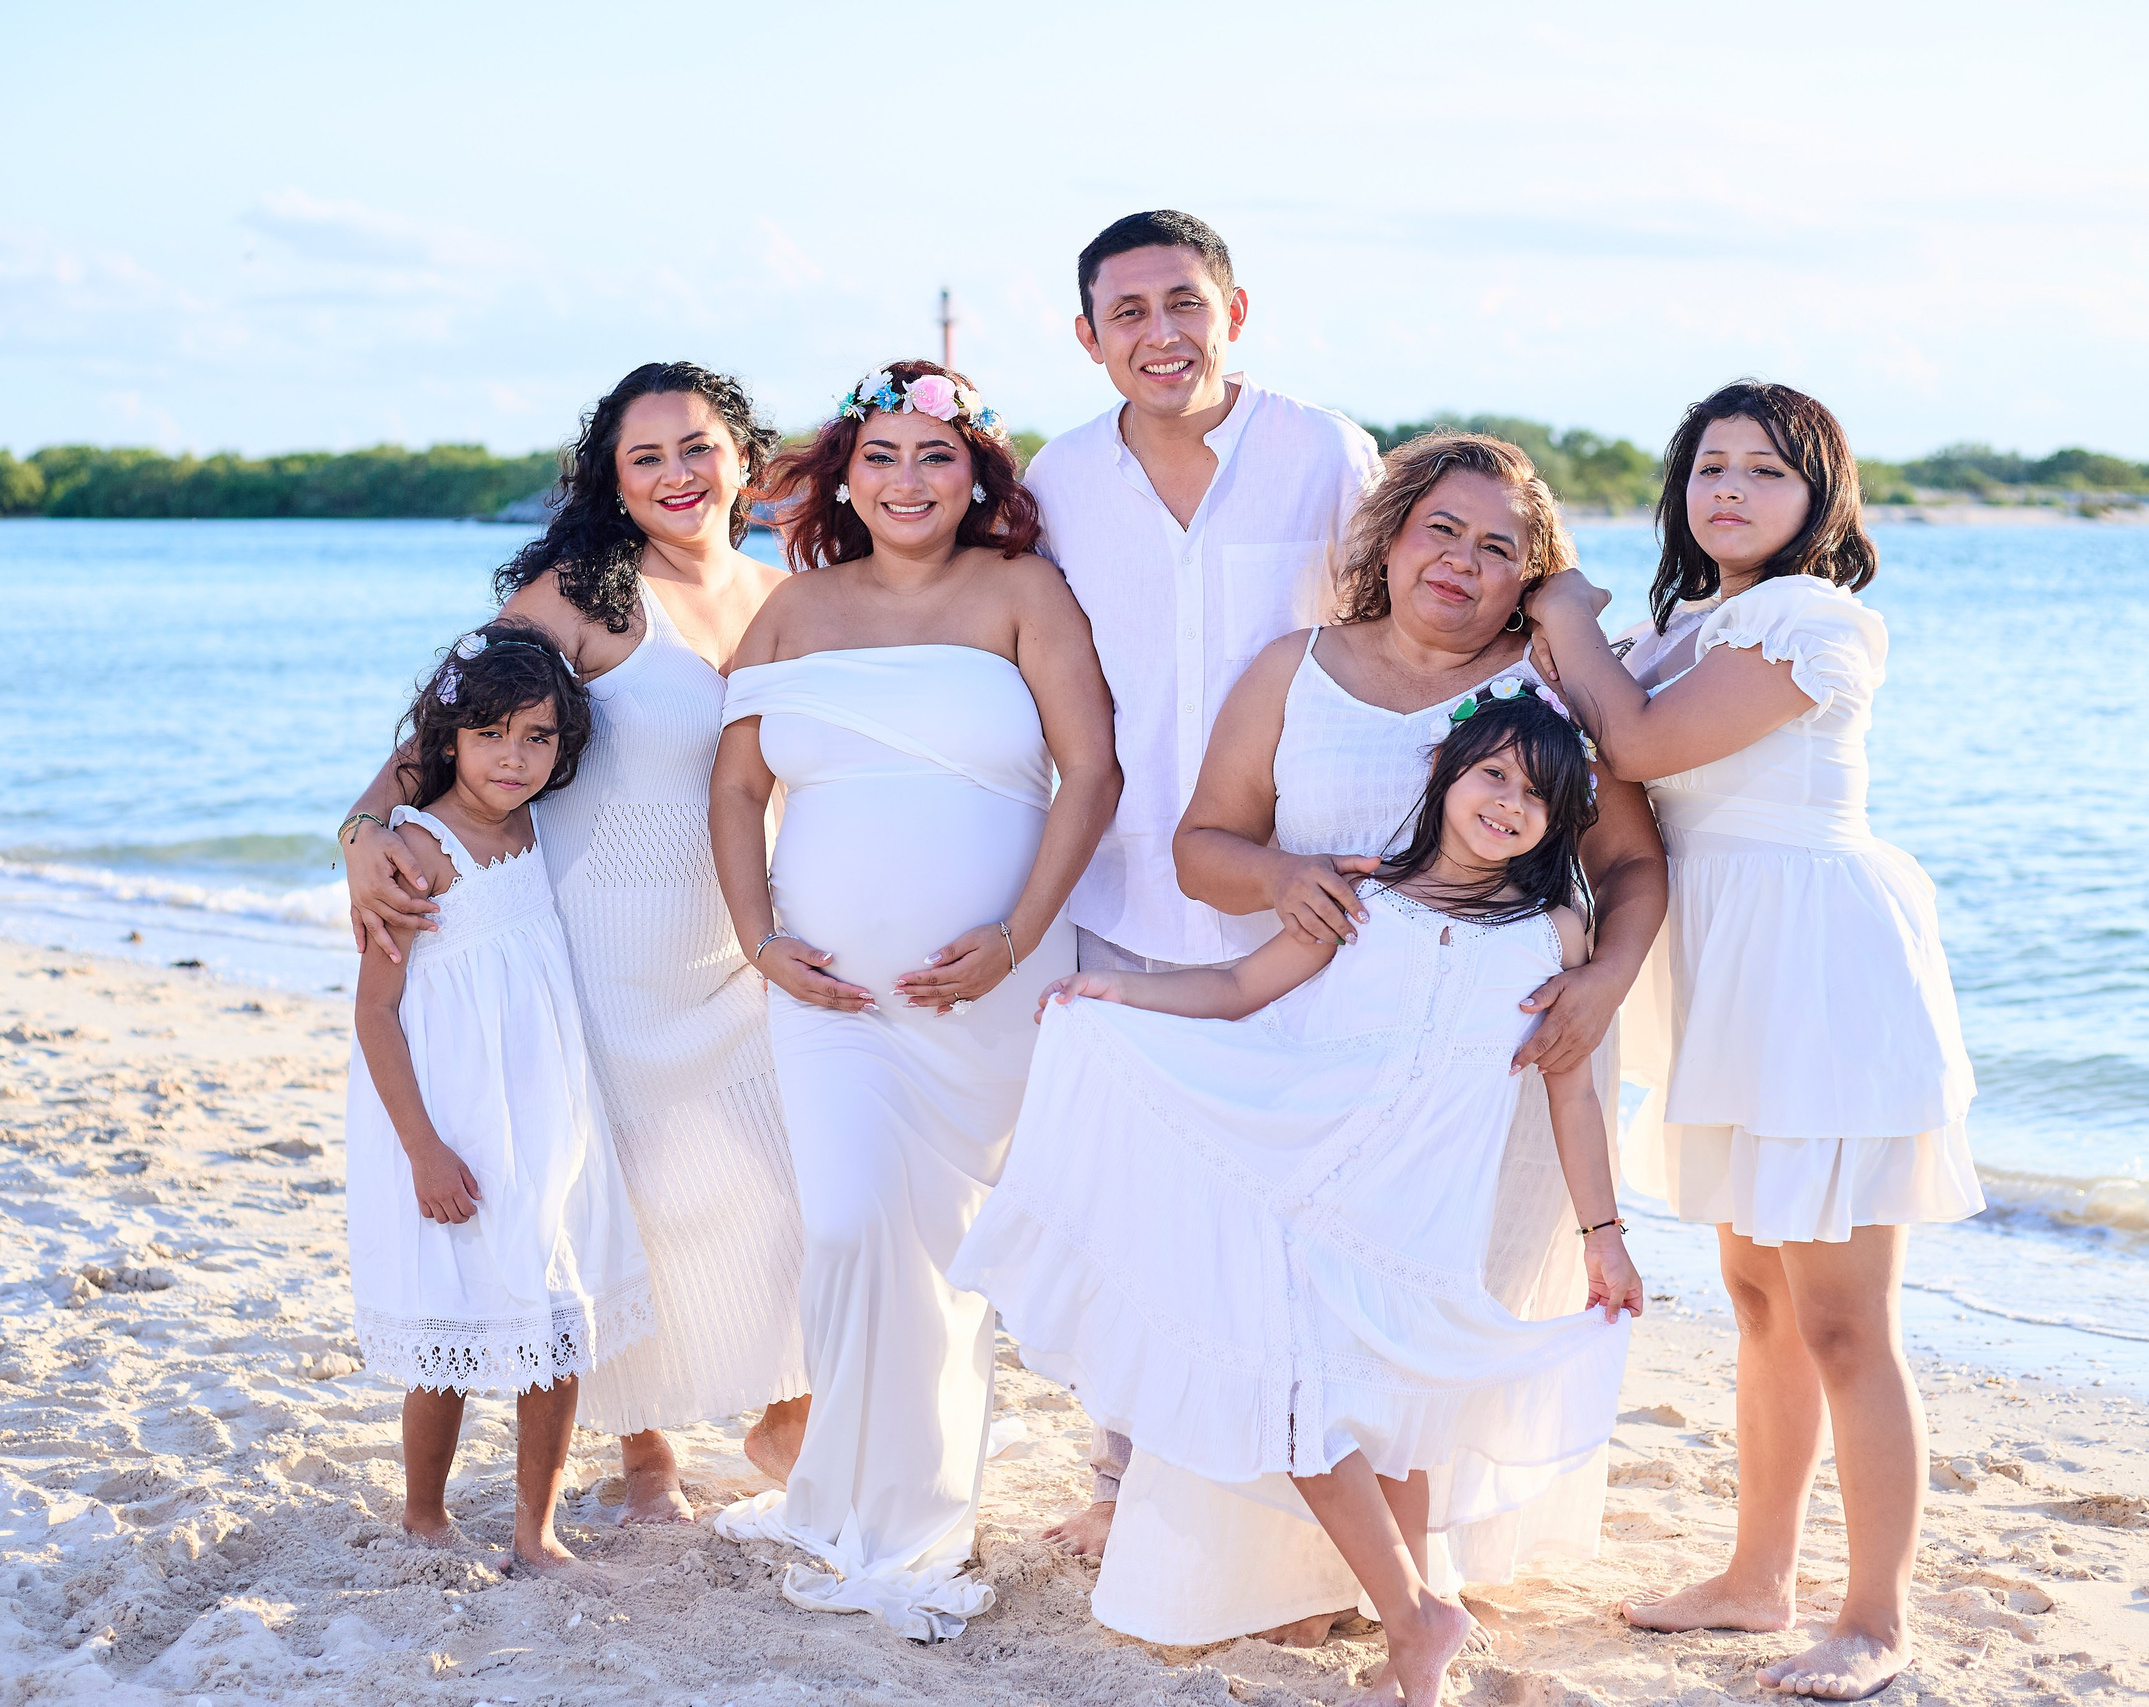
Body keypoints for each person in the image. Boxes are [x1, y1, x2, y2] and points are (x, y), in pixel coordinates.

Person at [954, 685, 1641, 1707]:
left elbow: (1571, 1093)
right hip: (1306, 1184)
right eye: (1493, 773)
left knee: (1398, 1422)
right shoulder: (1364, 895)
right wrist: (1122, 993)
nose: (1508, 802)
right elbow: (1239, 990)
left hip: (1420, 1216)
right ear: (1446, 772)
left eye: (1536, 795)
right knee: (1292, 1408)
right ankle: (1416, 1618)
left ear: (1560, 820)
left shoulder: (1553, 934)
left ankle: (1410, 1629)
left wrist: (1604, 1233)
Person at [1108, 432, 1667, 1645]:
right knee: (1293, 1317)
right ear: (1392, 534)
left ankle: (1412, 1582)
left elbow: (1630, 865)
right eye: (1440, 530)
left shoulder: (1551, 689)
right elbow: (1201, 846)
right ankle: (1305, 1578)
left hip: (1502, 1061)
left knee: (1424, 1327)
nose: (1461, 561)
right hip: (1316, 1048)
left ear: (1528, 575)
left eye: (1497, 548)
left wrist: (1606, 980)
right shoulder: (1292, 668)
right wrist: (1280, 875)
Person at [1524, 381, 1983, 1702]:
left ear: (1818, 498)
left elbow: (1637, 739)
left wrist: (1564, 612)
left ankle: (1875, 1616)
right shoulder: (1679, 628)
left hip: (1819, 982)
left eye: (1766, 470)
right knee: (1759, 1299)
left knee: (1844, 1320)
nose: (1729, 489)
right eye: (1710, 465)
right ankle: (1755, 1576)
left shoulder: (1813, 620)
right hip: (1728, 983)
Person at [339, 362, 811, 1525]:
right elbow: (450, 728)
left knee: (778, 1185)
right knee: (622, 1201)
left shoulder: (789, 594)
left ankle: (787, 1410)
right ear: (614, 477)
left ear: (743, 459)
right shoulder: (583, 598)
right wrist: (362, 833)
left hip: (747, 944)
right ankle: (645, 1451)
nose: (675, 475)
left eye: (696, 448)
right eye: (645, 457)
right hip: (600, 952)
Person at [705, 360, 1119, 1640]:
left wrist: (1013, 936)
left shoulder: (1021, 591)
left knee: (935, 1251)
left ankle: (913, 1518)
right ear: (844, 477)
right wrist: (760, 942)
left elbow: (1093, 775)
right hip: (825, 994)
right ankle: (844, 1491)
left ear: (975, 475)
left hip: (980, 989)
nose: (906, 479)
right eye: (879, 456)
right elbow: (734, 790)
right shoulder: (792, 608)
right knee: (845, 1228)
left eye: (935, 455)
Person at [1021, 207, 1381, 1557]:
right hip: (1121, 889)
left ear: (1234, 312)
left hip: (1299, 889)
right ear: (1088, 337)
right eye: (1129, 312)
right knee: (1136, 1201)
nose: (1161, 334)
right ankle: (1124, 1480)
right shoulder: (1058, 479)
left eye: (1185, 303)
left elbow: (1397, 625)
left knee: (1297, 1199)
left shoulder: (1322, 452)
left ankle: (1293, 1494)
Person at [345, 624, 653, 1576]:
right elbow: (376, 1015)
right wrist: (423, 1149)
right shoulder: (416, 851)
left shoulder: (536, 826)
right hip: (460, 1124)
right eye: (490, 735)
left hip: (548, 1120)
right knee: (449, 1326)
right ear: (448, 737)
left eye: (537, 737)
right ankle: (425, 1514)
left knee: (556, 1318)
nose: (514, 758)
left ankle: (535, 1530)